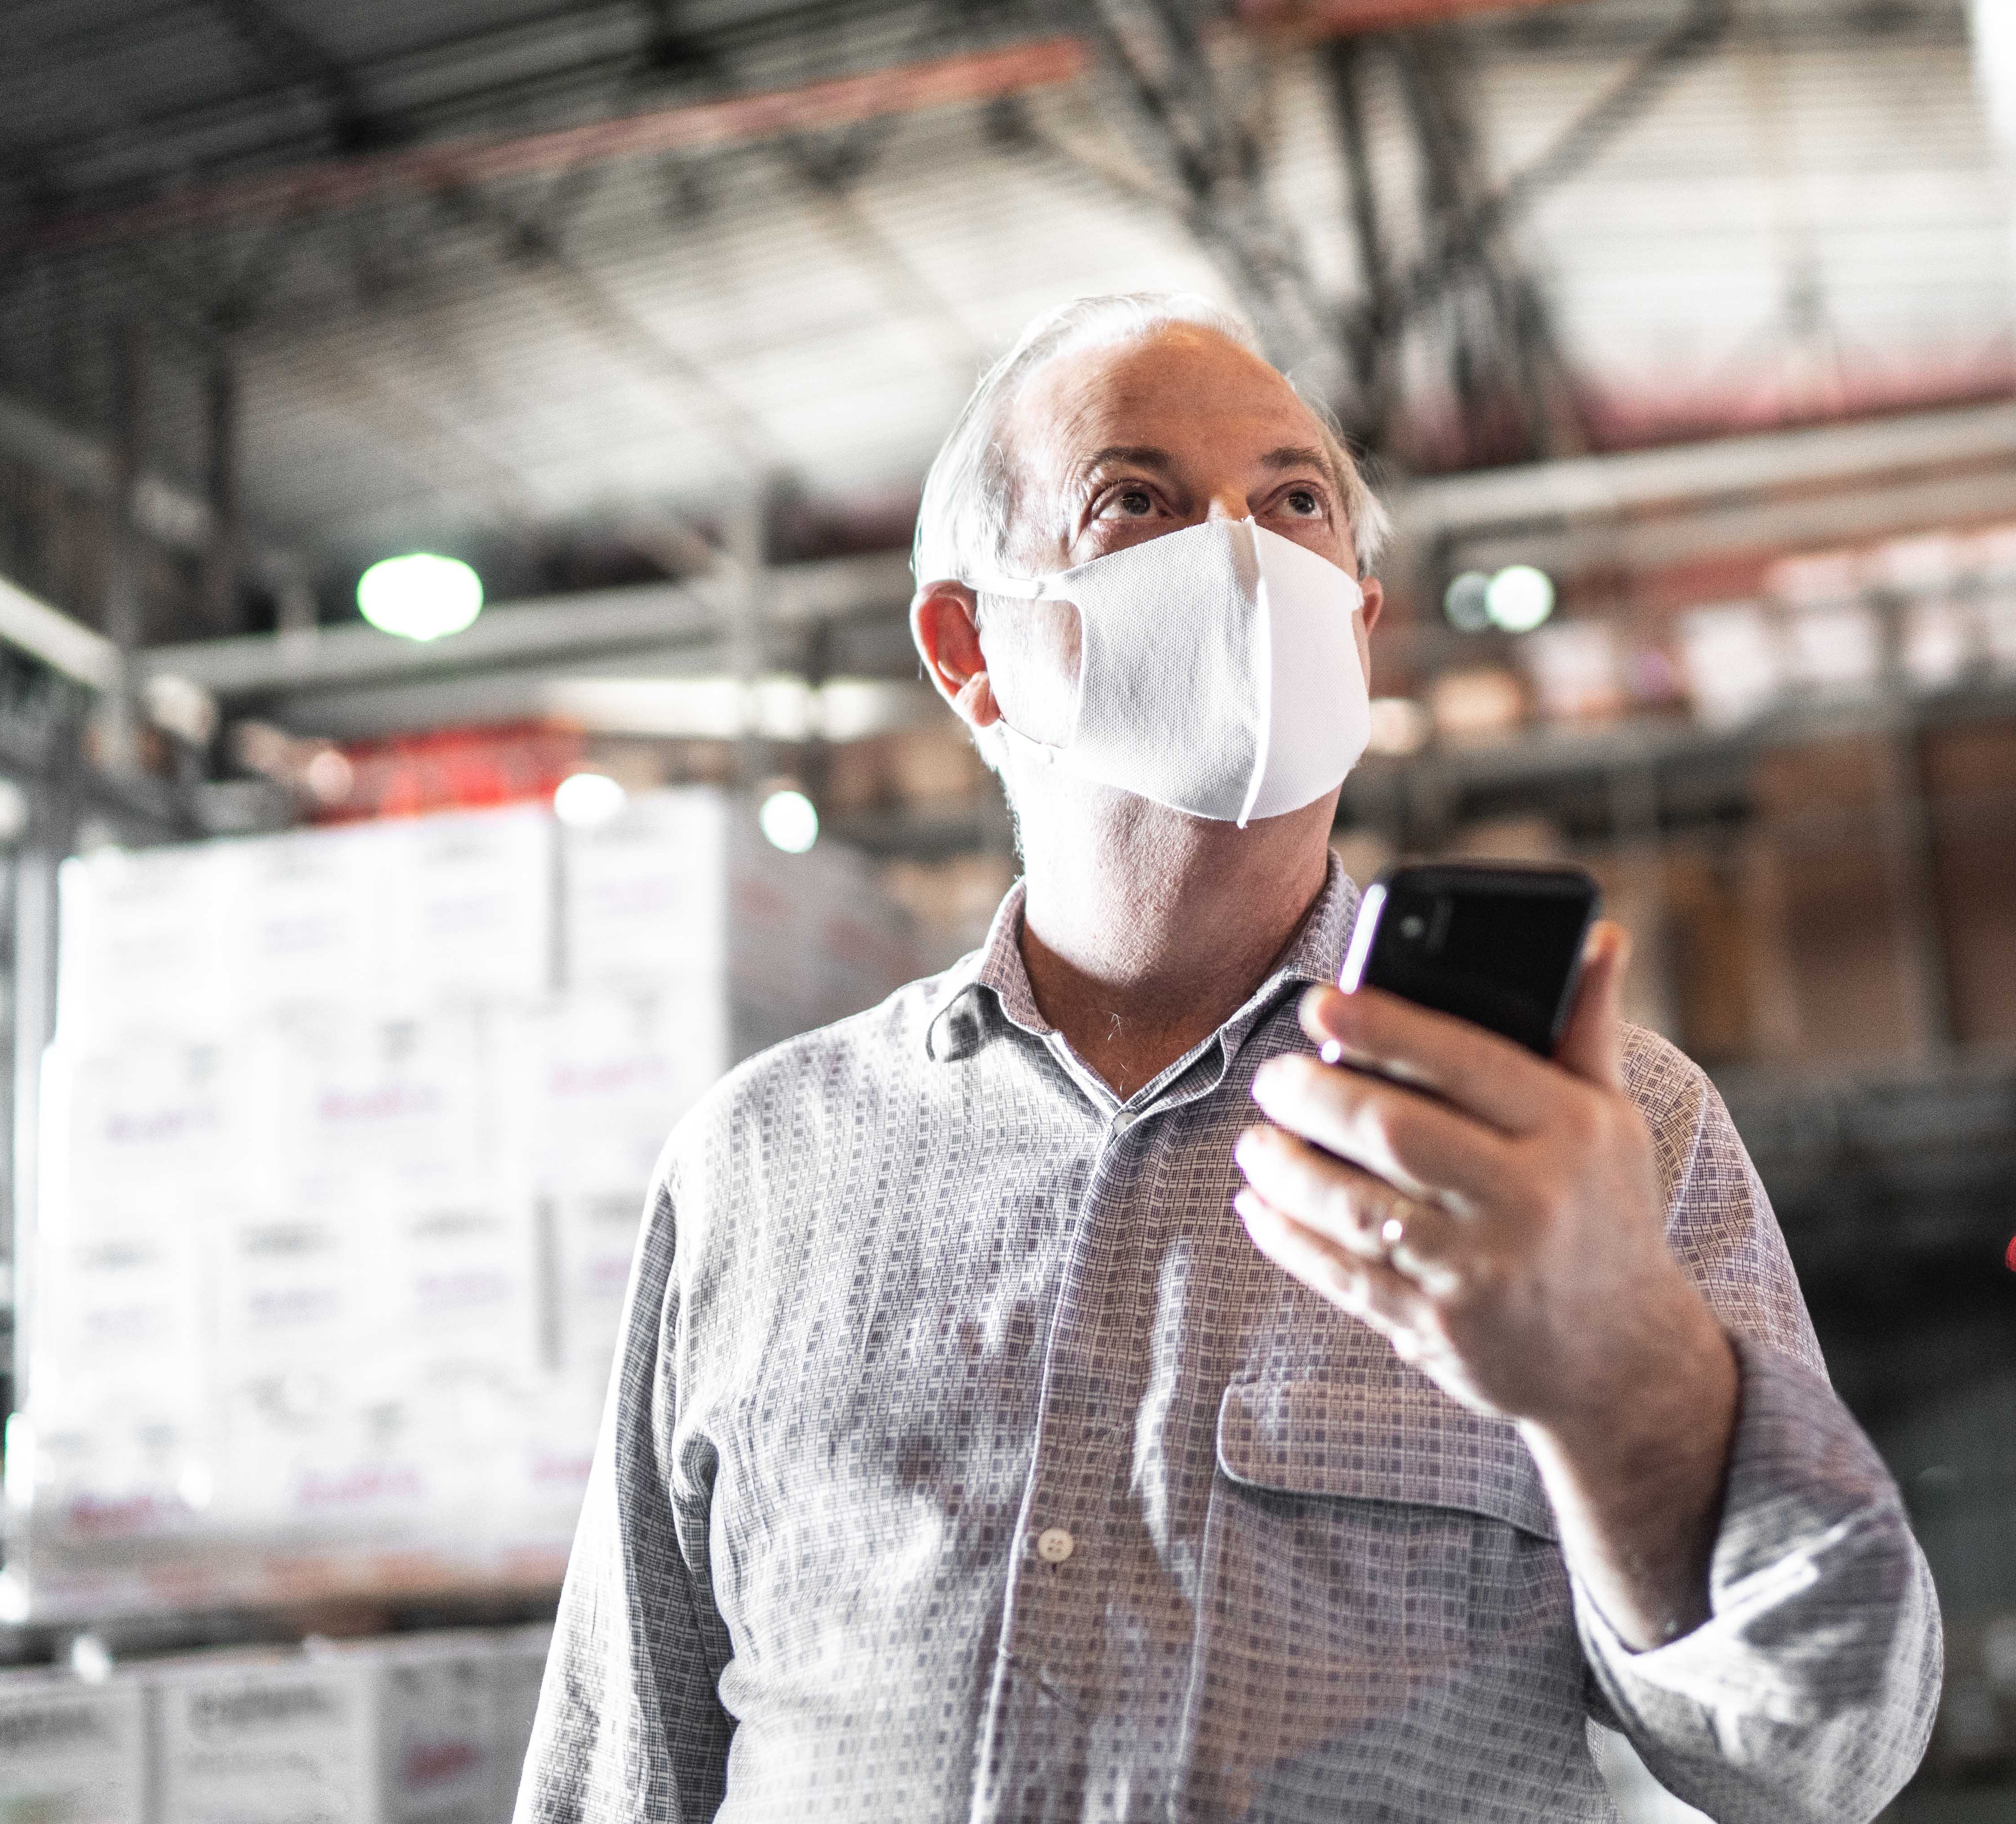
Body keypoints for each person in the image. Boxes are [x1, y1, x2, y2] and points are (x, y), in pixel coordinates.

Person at [516, 293, 1941, 1823]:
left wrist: (1618, 1375)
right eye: (1135, 500)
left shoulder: (1590, 1133)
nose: (1244, 557)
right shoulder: (760, 1162)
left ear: (1360, 623)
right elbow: (625, 1768)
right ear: (965, 648)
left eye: (1295, 503)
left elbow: (1829, 1755)